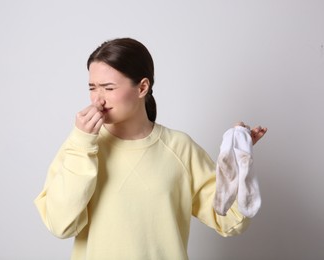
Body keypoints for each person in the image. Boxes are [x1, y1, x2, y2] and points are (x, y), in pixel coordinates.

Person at [34, 37, 267, 260]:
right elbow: (60, 225)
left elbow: (232, 220)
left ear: (142, 87)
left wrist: (235, 159)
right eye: (92, 87)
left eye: (108, 88)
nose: (98, 99)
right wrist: (83, 144)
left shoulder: (179, 148)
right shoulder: (79, 146)